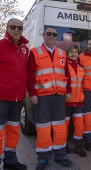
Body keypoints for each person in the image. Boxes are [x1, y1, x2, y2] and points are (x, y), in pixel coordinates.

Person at [27, 26, 72, 170]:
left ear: (56, 37)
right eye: (49, 34)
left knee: (59, 126)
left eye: (54, 34)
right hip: (42, 97)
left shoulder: (62, 53)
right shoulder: (34, 52)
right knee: (43, 127)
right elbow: (29, 75)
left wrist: (68, 90)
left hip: (59, 96)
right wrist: (32, 93)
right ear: (44, 35)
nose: (51, 36)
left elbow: (67, 74)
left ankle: (60, 155)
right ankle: (43, 157)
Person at [0, 18, 29, 170]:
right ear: (7, 28)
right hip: (1, 98)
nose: (17, 30)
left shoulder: (25, 49)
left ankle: (10, 162)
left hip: (18, 99)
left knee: (13, 131)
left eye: (19, 27)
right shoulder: (0, 45)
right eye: (13, 27)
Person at [65, 45, 86, 157]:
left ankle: (78, 146)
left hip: (78, 101)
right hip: (66, 102)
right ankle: (64, 145)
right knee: (65, 125)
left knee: (79, 125)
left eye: (76, 52)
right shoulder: (64, 67)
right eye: (71, 52)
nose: (74, 54)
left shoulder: (80, 68)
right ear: (67, 53)